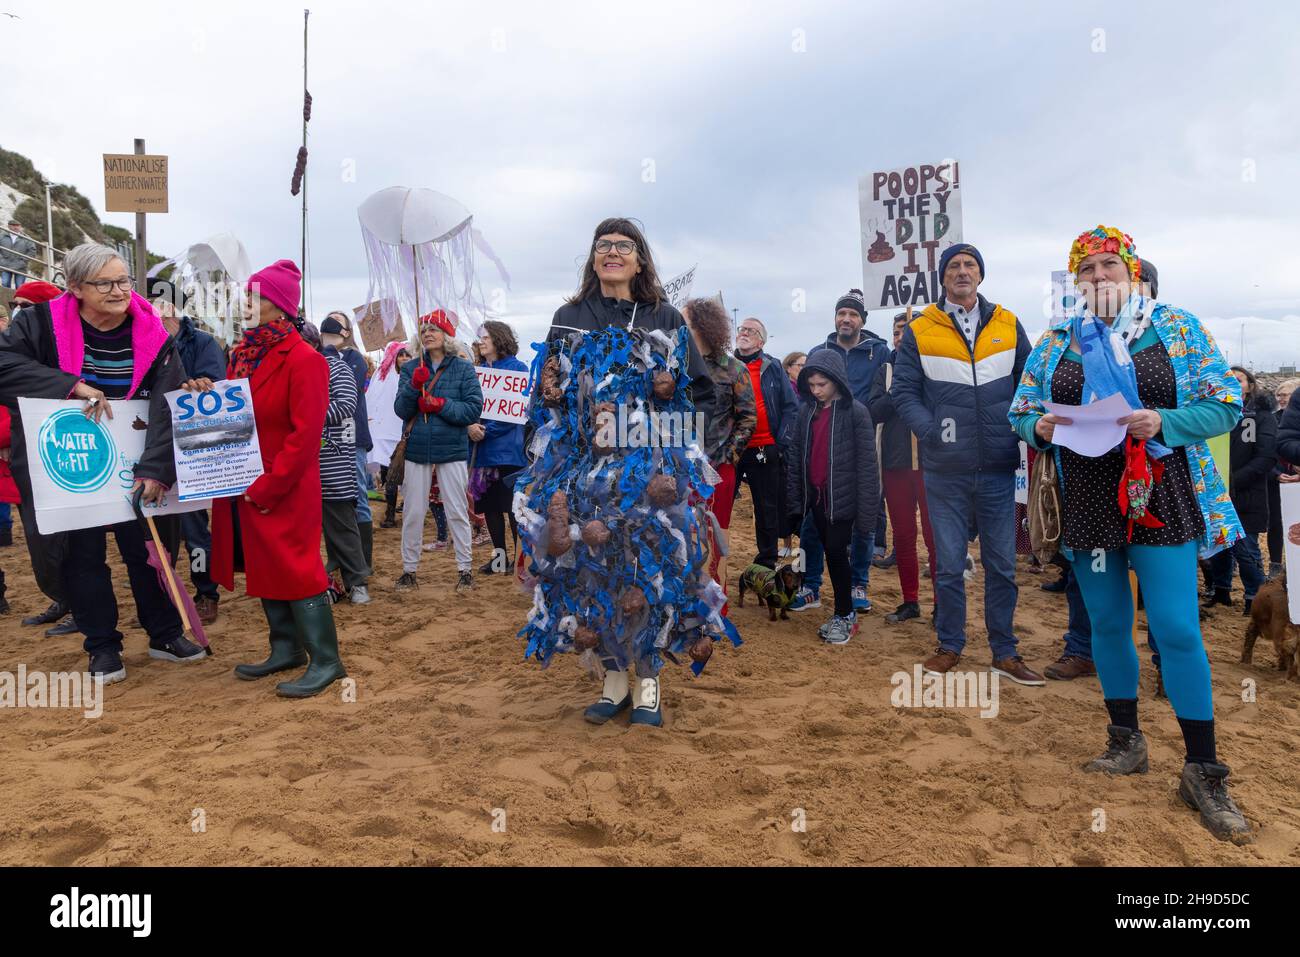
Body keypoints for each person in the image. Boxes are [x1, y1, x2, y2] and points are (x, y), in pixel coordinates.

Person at [1010, 225, 1251, 842]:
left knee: (1174, 626)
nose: (1098, 278)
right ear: (1075, 283)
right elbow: (1021, 408)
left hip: (1159, 491)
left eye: (1109, 267)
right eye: (1086, 271)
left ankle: (1203, 769)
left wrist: (1163, 418)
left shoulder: (1176, 327)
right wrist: (1041, 428)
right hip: (1087, 497)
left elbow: (1225, 402)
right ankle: (1126, 742)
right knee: (1110, 624)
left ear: (1133, 273)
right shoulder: (1057, 338)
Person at [0, 242, 206, 682]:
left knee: (149, 549)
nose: (119, 291)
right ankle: (102, 646)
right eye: (105, 283)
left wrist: (155, 468)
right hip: (68, 460)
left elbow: (168, 403)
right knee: (81, 555)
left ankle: (164, 633)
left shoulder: (153, 333)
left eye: (124, 280)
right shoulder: (39, 324)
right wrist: (69, 385)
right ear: (75, 288)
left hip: (134, 457)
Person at [892, 243, 1043, 685]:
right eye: (953, 266)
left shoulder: (1008, 323)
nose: (962, 271)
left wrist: (1018, 427)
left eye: (970, 265)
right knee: (949, 563)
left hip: (998, 466)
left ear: (981, 275)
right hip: (944, 470)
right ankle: (950, 644)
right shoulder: (922, 328)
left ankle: (1005, 651)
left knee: (1002, 564)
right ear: (942, 277)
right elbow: (904, 392)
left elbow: (1028, 383)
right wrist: (932, 430)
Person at [207, 259, 347, 698]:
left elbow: (306, 436)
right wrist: (203, 391)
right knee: (266, 565)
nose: (245, 303)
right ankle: (286, 649)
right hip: (246, 480)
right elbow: (231, 410)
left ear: (280, 306)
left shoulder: (305, 360)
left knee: (299, 568)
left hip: (286, 486)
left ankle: (327, 659)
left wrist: (269, 486)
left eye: (255, 296)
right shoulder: (242, 355)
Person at [789, 289, 890, 614]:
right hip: (821, 436)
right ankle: (810, 585)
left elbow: (888, 392)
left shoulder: (879, 352)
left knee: (862, 519)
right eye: (841, 313)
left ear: (862, 320)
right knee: (812, 527)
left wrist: (862, 411)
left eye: (853, 314)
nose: (846, 319)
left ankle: (858, 582)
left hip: (859, 434)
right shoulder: (821, 351)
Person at [786, 349, 879, 644]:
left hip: (843, 499)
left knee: (837, 553)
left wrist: (867, 514)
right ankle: (831, 602)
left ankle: (844, 613)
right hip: (816, 498)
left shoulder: (857, 412)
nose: (816, 390)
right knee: (828, 550)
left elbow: (868, 465)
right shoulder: (807, 411)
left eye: (822, 385)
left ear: (837, 380)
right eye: (811, 385)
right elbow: (796, 456)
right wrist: (796, 499)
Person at [148, 277, 226, 625]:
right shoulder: (142, 342)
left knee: (195, 532)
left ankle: (205, 592)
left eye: (156, 301)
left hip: (193, 452)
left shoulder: (204, 342)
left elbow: (216, 386)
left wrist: (197, 385)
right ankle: (161, 595)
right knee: (155, 534)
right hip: (153, 449)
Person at [393, 310, 483, 592]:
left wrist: (440, 404)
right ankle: (409, 570)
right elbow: (401, 409)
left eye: (434, 328)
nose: (428, 333)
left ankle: (465, 569)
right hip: (417, 449)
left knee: (457, 509)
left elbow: (472, 409)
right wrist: (413, 387)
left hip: (452, 449)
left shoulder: (463, 368)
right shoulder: (410, 369)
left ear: (447, 335)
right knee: (413, 511)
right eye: (424, 329)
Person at [1, 280, 73, 632]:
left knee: (66, 538)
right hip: (25, 456)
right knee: (38, 538)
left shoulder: (62, 351)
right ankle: (62, 597)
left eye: (26, 305)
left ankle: (79, 605)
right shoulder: (15, 358)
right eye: (15, 304)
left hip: (63, 453)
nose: (18, 312)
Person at [685, 298, 756, 604]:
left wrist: (730, 456)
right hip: (680, 468)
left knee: (716, 537)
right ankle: (684, 601)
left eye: (685, 322)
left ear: (701, 325)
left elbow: (748, 416)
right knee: (683, 535)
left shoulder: (733, 368)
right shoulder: (676, 367)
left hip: (718, 469)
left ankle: (714, 604)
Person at [868, 311, 937, 623]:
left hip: (932, 464)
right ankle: (910, 600)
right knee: (904, 536)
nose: (902, 336)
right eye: (898, 331)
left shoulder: (937, 366)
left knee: (936, 538)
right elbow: (873, 412)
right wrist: (900, 391)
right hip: (895, 464)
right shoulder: (884, 370)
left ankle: (942, 603)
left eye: (909, 330)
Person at [1203, 367, 1275, 615]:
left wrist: (1232, 481)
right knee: (1220, 547)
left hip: (1248, 493)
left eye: (1238, 379)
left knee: (1247, 550)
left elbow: (1265, 457)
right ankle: (1221, 590)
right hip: (1218, 491)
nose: (1233, 382)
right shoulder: (1214, 414)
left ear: (1249, 384)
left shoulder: (1261, 416)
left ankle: (1254, 598)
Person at [733, 319, 797, 569]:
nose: (744, 333)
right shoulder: (725, 364)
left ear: (761, 341)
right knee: (721, 503)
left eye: (751, 331)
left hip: (765, 447)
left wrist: (781, 443)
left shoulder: (773, 367)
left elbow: (790, 406)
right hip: (733, 449)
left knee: (766, 507)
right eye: (742, 329)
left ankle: (767, 561)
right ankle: (718, 558)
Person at [317, 316, 371, 604]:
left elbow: (347, 405)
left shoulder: (337, 366)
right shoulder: (295, 367)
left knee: (340, 517)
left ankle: (357, 579)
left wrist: (306, 416)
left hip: (333, 456)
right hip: (297, 458)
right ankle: (321, 582)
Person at [469, 320, 527, 575]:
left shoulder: (517, 368)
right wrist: (470, 427)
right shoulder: (478, 370)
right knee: (490, 508)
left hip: (509, 452)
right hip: (483, 451)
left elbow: (514, 412)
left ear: (498, 339)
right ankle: (500, 559)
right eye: (480, 338)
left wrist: (486, 431)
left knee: (512, 508)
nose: (481, 341)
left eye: (485, 337)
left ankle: (519, 559)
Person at [369, 341, 412, 527]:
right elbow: (372, 399)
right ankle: (390, 513)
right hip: (385, 433)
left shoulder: (414, 375)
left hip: (406, 432)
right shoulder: (382, 375)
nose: (403, 359)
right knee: (390, 474)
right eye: (400, 355)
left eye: (406, 355)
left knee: (409, 476)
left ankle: (408, 510)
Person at [1266, 377, 1299, 577]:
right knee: (1278, 524)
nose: (1282, 398)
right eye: (1279, 395)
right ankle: (1277, 565)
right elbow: (1270, 450)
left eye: (1285, 394)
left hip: (1294, 476)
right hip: (1280, 479)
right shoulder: (1273, 419)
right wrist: (1277, 474)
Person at [0, 220, 38, 290]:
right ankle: (6, 301)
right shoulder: (2, 236)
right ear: (9, 226)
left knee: (20, 287)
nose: (16, 227)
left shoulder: (26, 238)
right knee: (5, 284)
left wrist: (23, 261)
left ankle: (17, 301)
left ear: (20, 227)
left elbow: (32, 250)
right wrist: (1, 259)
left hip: (21, 266)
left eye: (18, 226)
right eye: (13, 225)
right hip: (5, 265)